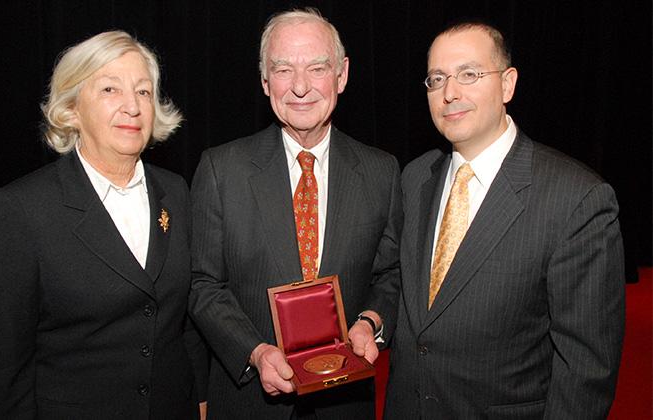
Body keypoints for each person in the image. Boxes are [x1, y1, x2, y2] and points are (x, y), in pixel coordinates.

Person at [384, 21, 625, 419]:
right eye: (437, 78)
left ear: (508, 84)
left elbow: (586, 370)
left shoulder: (576, 198)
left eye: (469, 74)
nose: (450, 93)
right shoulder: (414, 178)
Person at [0, 31, 207, 419]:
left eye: (143, 91)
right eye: (109, 90)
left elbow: (184, 322)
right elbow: (4, 369)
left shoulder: (176, 192)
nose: (132, 107)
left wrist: (200, 400)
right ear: (71, 109)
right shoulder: (20, 210)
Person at [188, 8, 402, 419]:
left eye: (317, 68)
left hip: (345, 401)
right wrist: (255, 351)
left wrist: (370, 321)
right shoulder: (221, 170)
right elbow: (203, 284)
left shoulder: (381, 172)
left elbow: (389, 275)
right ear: (265, 80)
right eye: (283, 69)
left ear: (341, 75)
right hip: (250, 403)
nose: (300, 87)